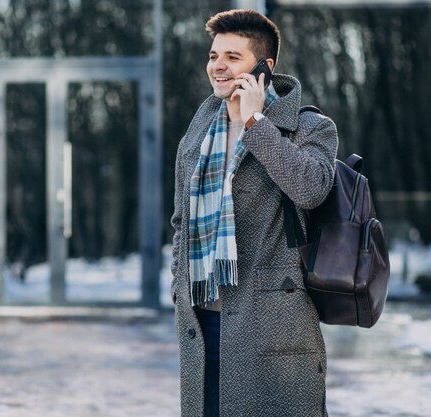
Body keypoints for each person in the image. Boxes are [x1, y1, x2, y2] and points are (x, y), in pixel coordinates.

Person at [169, 9, 338, 417]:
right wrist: (179, 285)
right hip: (203, 318)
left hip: (271, 319)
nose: (218, 66)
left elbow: (311, 189)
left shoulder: (308, 127)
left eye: (233, 57)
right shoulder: (199, 129)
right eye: (213, 56)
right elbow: (181, 220)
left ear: (265, 67)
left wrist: (255, 123)